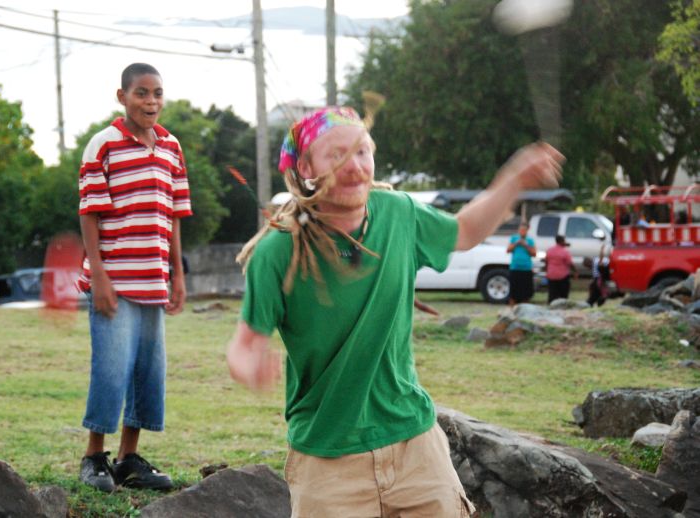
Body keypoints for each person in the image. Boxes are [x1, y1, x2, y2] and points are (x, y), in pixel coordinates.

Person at [226, 106, 563, 517]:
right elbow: (245, 343)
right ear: (306, 168)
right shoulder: (278, 252)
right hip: (327, 458)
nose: (355, 166)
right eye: (337, 155)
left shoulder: (399, 213)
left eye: (362, 151)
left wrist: (514, 180)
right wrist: (248, 364)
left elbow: (464, 231)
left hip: (414, 444)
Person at [76, 63, 192, 492]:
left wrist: (177, 274)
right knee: (111, 369)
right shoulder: (103, 144)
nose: (151, 101)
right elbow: (89, 213)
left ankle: (128, 459)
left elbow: (174, 215)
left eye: (157, 93)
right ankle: (94, 457)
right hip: (114, 281)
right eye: (141, 93)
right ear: (122, 96)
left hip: (152, 280)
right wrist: (100, 277)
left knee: (147, 371)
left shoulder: (171, 147)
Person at [506, 222, 536, 306]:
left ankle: (525, 307)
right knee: (514, 290)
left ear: (527, 231)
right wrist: (517, 243)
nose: (522, 232)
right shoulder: (514, 238)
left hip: (526, 268)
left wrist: (525, 245)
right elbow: (508, 250)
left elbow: (534, 253)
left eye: (524, 230)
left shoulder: (530, 240)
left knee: (526, 291)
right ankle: (512, 307)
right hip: (515, 267)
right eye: (521, 230)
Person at [545, 234, 577, 303]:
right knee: (563, 296)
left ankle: (551, 305)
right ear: (562, 241)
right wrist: (575, 271)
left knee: (552, 294)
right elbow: (570, 263)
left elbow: (546, 261)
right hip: (562, 276)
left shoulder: (549, 250)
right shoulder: (565, 252)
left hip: (551, 275)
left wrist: (547, 271)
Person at [587, 243, 611, 307]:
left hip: (599, 280)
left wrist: (602, 250)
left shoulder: (599, 262)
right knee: (596, 294)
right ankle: (594, 303)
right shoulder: (597, 261)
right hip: (599, 280)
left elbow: (601, 260)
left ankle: (593, 303)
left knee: (596, 294)